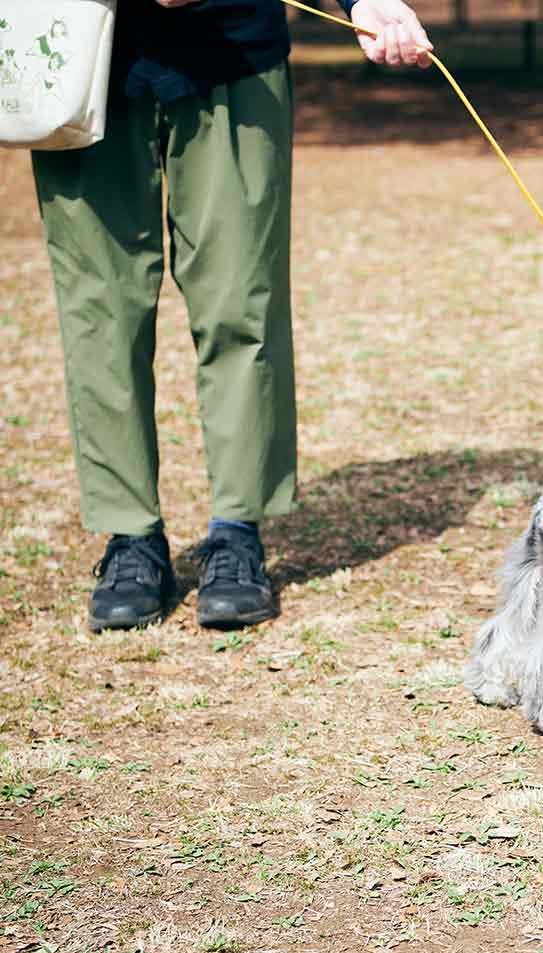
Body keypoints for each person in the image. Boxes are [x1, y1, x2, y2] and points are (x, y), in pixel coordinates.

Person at [32, 0, 432, 632]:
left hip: (233, 54)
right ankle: (129, 536)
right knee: (99, 315)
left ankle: (237, 533)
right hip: (76, 58)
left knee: (241, 302)